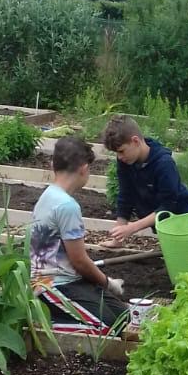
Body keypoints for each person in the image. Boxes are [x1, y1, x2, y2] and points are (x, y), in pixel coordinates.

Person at [30, 136, 128, 330]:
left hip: (71, 280)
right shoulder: (67, 206)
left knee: (124, 318)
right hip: (52, 285)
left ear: (53, 165)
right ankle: (39, 325)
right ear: (84, 168)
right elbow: (79, 261)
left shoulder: (49, 195)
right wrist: (108, 283)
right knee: (108, 329)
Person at [103, 116, 188, 244]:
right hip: (167, 225)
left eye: (121, 151)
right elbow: (125, 196)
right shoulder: (126, 162)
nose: (119, 157)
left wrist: (132, 228)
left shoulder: (164, 163)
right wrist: (118, 239)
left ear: (135, 141)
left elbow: (168, 206)